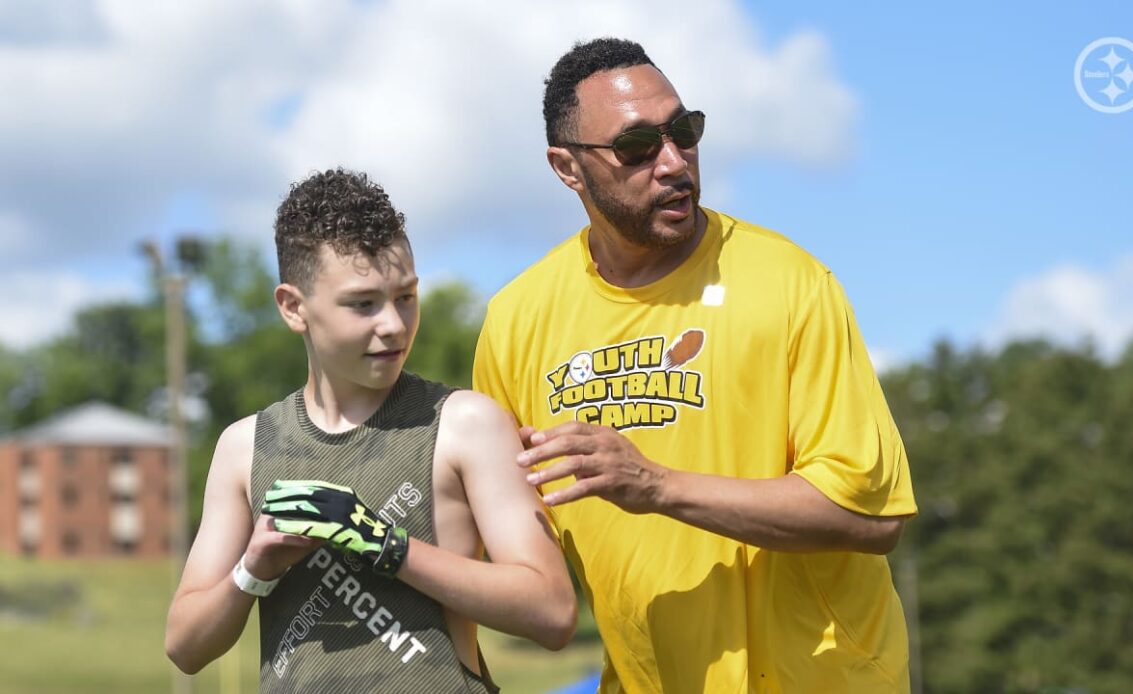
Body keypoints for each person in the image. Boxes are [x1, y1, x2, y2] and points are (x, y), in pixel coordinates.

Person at [472, 38, 918, 693]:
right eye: (637, 146)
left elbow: (873, 516)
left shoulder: (791, 283)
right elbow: (499, 546)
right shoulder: (517, 320)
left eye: (684, 131)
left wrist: (655, 486)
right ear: (567, 169)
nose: (674, 161)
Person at [166, 168, 576, 693]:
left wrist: (383, 543)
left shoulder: (466, 424)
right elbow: (184, 647)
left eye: (405, 296)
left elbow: (553, 611)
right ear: (294, 308)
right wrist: (253, 570)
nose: (395, 325)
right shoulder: (244, 446)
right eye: (363, 304)